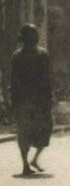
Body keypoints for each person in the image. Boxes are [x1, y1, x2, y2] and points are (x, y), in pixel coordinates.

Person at [10, 24, 53, 175]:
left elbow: (14, 81)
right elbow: (46, 80)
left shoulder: (18, 56)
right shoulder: (41, 55)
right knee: (35, 132)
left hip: (26, 101)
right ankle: (27, 163)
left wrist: (13, 102)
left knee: (27, 133)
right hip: (34, 101)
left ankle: (28, 163)